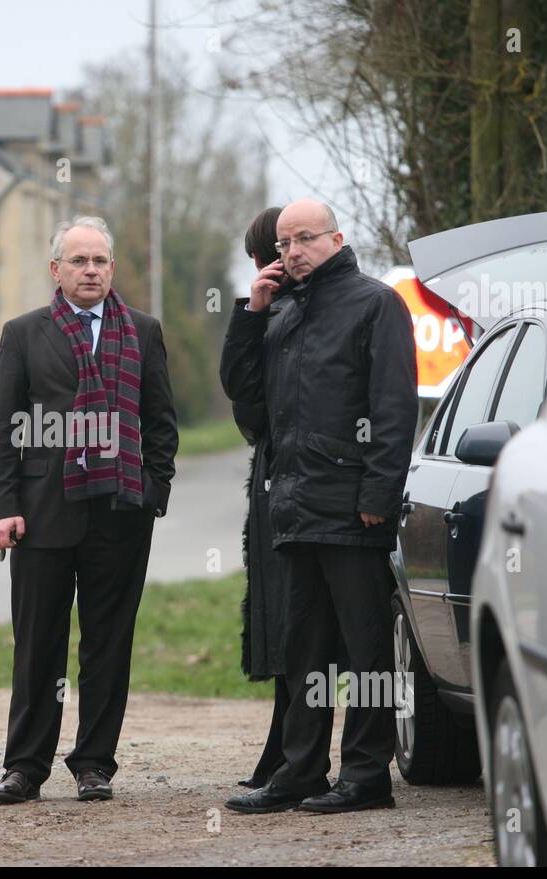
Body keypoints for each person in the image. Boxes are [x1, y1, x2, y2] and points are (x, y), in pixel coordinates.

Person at [220, 198, 416, 814]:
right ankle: (300, 770)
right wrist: (251, 314)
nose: (293, 252)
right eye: (284, 244)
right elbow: (244, 395)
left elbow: (393, 409)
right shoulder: (280, 311)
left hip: (354, 510)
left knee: (365, 653)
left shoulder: (375, 303)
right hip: (294, 509)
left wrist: (378, 497)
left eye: (304, 239)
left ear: (336, 237)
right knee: (303, 650)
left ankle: (365, 777)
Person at [0, 215, 178, 804]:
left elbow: (161, 422)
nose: (90, 270)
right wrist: (3, 506)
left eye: (99, 261)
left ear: (111, 269)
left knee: (107, 642)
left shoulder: (142, 331)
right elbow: (4, 426)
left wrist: (153, 491)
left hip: (120, 511)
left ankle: (94, 763)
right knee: (38, 642)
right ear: (56, 270)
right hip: (42, 510)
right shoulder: (24, 333)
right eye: (78, 261)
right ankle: (25, 766)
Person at [231, 207, 291, 791]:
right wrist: (253, 314)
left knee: (306, 626)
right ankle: (284, 751)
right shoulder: (262, 315)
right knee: (278, 622)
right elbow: (244, 406)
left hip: (315, 487)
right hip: (271, 485)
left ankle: (300, 757)